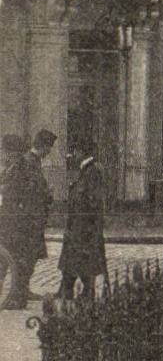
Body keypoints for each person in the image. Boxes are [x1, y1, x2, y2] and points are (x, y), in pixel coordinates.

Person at [0, 127, 56, 309]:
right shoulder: (22, 164)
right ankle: (16, 295)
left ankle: (19, 294)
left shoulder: (26, 164)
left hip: (24, 221)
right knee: (14, 259)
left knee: (22, 259)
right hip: (18, 221)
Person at [59, 152, 108, 302]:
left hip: (84, 225)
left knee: (83, 257)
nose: (70, 157)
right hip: (79, 224)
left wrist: (88, 224)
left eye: (73, 152)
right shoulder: (85, 170)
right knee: (73, 255)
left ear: (80, 153)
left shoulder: (92, 171)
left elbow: (93, 202)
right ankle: (66, 289)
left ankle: (87, 292)